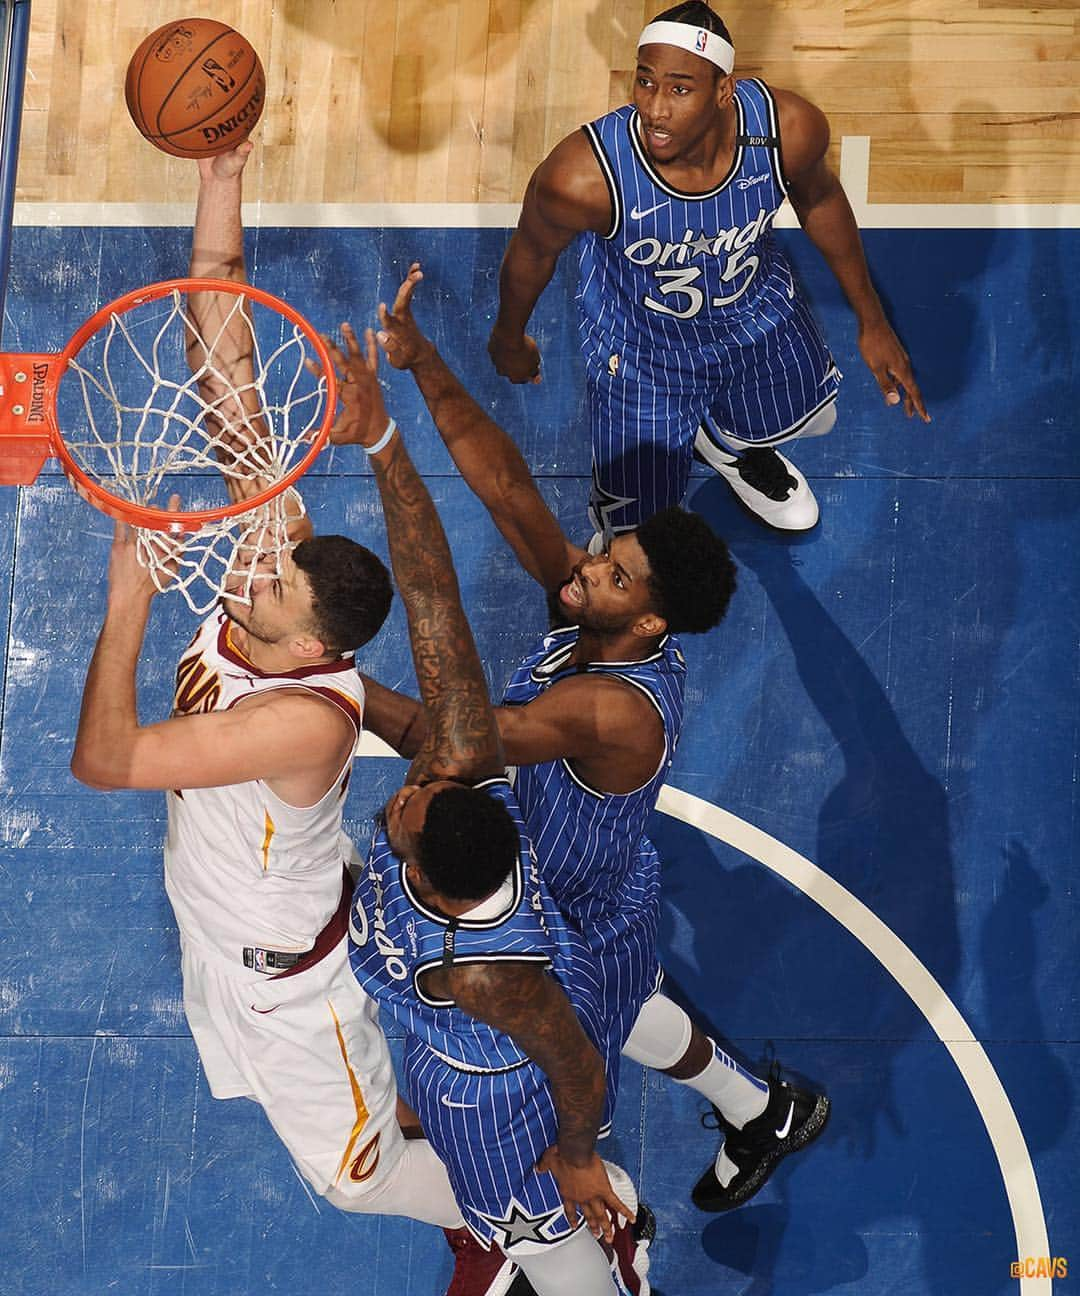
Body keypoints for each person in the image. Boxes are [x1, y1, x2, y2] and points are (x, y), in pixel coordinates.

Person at [69, 144, 522, 1296]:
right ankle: (481, 1187)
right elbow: (216, 343)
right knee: (355, 1124)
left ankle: (541, 1219)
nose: (249, 573)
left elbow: (106, 759)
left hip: (285, 978)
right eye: (270, 569)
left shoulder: (303, 722)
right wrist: (219, 180)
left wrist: (126, 608)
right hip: (225, 932)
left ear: (315, 650)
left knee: (354, 1177)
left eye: (270, 588)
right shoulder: (281, 579)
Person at [362, 263, 830, 1213]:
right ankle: (762, 1109)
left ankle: (596, 1226)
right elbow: (504, 487)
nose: (587, 570)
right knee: (635, 1008)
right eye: (606, 557)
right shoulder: (598, 611)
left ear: (649, 621)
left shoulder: (610, 709)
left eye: (613, 575)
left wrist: (333, 686)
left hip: (567, 907)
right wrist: (423, 365)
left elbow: (456, 738)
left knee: (562, 1071)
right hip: (588, 888)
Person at [321, 320, 649, 1296]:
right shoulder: (464, 768)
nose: (407, 789)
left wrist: (580, 1153)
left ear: (429, 888)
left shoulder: (485, 984)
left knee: (538, 1234)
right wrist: (383, 443)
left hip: (507, 1090)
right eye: (421, 789)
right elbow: (432, 601)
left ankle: (617, 1247)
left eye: (409, 805)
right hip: (471, 1022)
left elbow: (575, 1065)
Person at [487, 0, 929, 536]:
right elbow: (531, 253)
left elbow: (820, 200)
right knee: (638, 524)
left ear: (724, 91)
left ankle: (729, 449)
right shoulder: (583, 178)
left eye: (679, 88)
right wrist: (509, 338)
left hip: (756, 320)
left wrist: (872, 320)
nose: (654, 109)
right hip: (641, 349)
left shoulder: (786, 130)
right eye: (644, 82)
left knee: (789, 418)